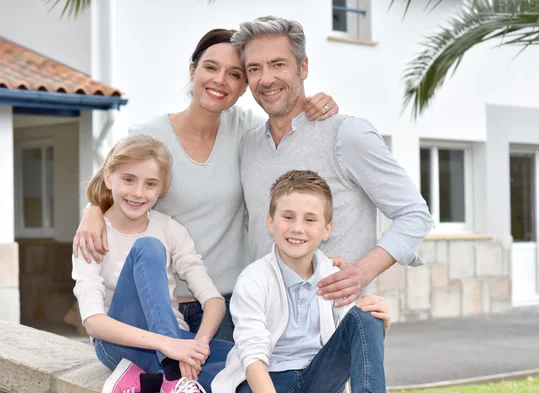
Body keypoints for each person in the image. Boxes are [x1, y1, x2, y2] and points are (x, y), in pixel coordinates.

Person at [72, 28, 340, 342]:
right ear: (193, 70)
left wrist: (315, 104)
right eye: (211, 67)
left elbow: (291, 129)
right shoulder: (147, 133)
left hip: (226, 302)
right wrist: (93, 211)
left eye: (235, 74)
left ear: (244, 86)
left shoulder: (248, 130)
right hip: (159, 302)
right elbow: (112, 184)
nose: (220, 80)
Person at [233, 16, 434, 308]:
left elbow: (414, 215)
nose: (266, 79)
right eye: (255, 68)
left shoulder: (347, 134)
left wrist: (362, 272)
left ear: (303, 68)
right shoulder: (249, 145)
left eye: (278, 64)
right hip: (268, 327)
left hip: (338, 328)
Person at [72, 134, 231, 393]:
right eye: (128, 179)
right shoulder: (91, 235)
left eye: (150, 184)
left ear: (162, 188)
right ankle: (171, 374)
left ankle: (156, 382)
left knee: (251, 361)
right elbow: (93, 321)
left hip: (178, 341)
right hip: (121, 345)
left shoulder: (170, 229)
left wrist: (197, 346)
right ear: (109, 177)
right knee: (148, 248)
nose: (138, 192)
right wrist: (169, 346)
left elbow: (213, 300)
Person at [211, 170, 390, 393]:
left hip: (318, 379)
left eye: (310, 219)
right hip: (265, 380)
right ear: (270, 222)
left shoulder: (333, 276)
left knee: (368, 315)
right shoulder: (253, 279)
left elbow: (354, 341)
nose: (297, 228)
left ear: (327, 230)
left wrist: (377, 321)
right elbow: (253, 354)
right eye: (288, 217)